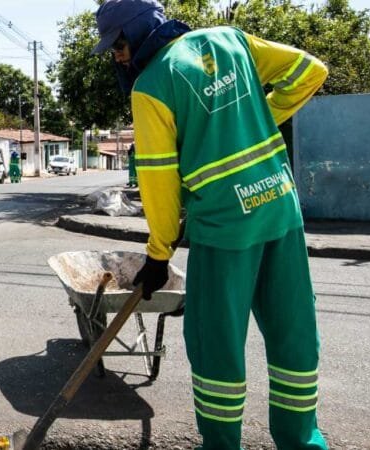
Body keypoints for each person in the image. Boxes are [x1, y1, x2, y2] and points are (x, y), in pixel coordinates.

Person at [93, 1, 329, 448]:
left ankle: (221, 445)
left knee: (215, 341)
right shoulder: (231, 40)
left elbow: (159, 182)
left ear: (139, 32)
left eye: (119, 45)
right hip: (280, 208)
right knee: (293, 330)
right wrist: (251, 122)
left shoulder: (150, 88)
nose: (118, 57)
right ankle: (303, 441)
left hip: (224, 228)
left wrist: (159, 255)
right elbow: (310, 70)